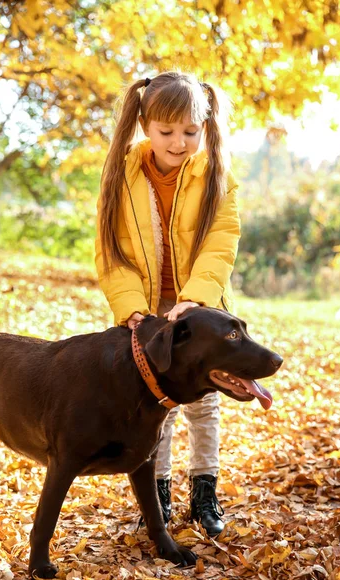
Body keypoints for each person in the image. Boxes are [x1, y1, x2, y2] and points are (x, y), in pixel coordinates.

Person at [95, 71, 240, 537]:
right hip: (146, 307)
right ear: (144, 125)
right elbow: (110, 249)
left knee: (203, 402)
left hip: (200, 304)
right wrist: (133, 307)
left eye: (190, 132)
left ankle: (205, 489)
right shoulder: (122, 174)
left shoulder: (217, 174)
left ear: (204, 127)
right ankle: (156, 493)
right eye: (167, 131)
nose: (179, 142)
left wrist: (197, 298)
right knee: (155, 402)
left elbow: (221, 243)